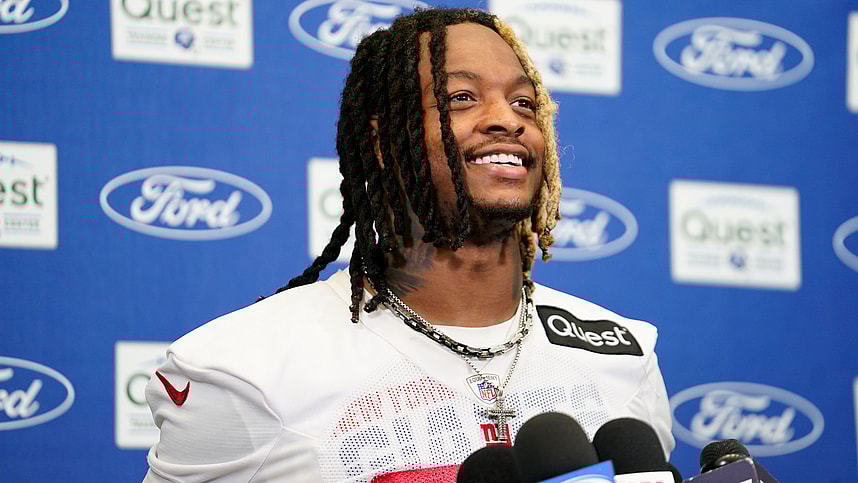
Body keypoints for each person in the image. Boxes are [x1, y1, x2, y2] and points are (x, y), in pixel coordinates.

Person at [144, 8, 674, 482]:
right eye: (461, 99)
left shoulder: (626, 355)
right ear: (381, 141)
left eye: (524, 102)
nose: (507, 119)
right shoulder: (244, 369)